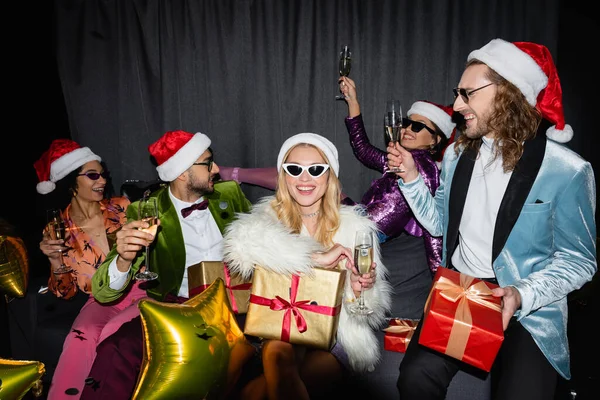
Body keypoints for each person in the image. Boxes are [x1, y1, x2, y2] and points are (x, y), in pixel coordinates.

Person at [388, 38, 597, 399]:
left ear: (507, 93)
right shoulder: (456, 155)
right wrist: (410, 178)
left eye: (467, 93)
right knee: (415, 379)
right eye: (458, 93)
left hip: (529, 307)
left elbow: (579, 260)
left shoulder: (567, 170)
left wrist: (520, 294)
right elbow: (439, 223)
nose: (456, 106)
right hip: (463, 292)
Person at [80, 130, 253, 399]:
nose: (217, 169)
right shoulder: (145, 209)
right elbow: (104, 293)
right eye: (208, 163)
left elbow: (260, 238)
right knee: (117, 348)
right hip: (178, 308)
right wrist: (124, 259)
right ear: (182, 173)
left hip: (234, 305)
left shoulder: (229, 195)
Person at [222, 132, 393, 399]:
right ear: (284, 177)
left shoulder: (356, 227)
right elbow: (240, 247)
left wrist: (360, 291)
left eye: (315, 169)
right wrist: (316, 258)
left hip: (339, 334)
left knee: (259, 392)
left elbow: (370, 311)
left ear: (329, 176)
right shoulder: (268, 217)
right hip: (283, 330)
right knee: (278, 353)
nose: (304, 178)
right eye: (294, 169)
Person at [35, 139, 144, 399]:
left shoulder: (122, 207)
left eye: (102, 174)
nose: (103, 181)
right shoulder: (58, 228)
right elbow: (67, 294)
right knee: (79, 337)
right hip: (100, 300)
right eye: (93, 175)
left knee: (111, 334)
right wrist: (55, 262)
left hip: (140, 290)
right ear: (71, 182)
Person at [338, 76, 454, 319]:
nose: (407, 129)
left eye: (418, 126)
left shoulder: (426, 168)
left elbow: (431, 227)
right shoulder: (401, 159)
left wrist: (439, 276)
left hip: (365, 231)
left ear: (435, 140)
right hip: (360, 220)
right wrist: (353, 101)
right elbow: (363, 150)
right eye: (406, 123)